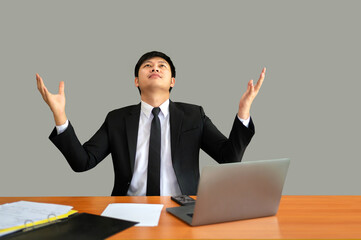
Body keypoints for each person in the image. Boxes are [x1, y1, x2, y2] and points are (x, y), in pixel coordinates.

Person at [36, 51, 265, 196]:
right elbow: (82, 162)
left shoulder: (194, 115)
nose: (154, 68)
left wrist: (243, 111)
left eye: (161, 66)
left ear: (172, 81)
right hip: (127, 210)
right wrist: (60, 115)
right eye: (147, 65)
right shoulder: (116, 119)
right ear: (136, 80)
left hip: (183, 208)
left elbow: (229, 158)